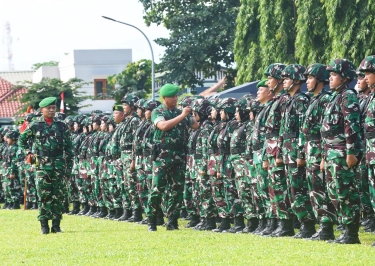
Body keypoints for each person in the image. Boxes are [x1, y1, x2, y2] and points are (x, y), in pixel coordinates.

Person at [146, 84, 199, 231]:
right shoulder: (158, 111)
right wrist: (182, 115)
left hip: (179, 155)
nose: (175, 99)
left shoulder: (179, 111)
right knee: (157, 189)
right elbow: (163, 126)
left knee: (177, 189)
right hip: (163, 156)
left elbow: (195, 126)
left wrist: (192, 113)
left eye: (176, 96)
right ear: (164, 98)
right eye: (172, 97)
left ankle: (172, 221)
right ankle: (152, 220)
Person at [321, 58, 362, 244]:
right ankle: (345, 229)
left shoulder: (348, 96)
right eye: (329, 75)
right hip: (330, 152)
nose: (330, 78)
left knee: (346, 192)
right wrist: (323, 156)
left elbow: (351, 126)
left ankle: (352, 233)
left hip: (341, 152)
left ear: (344, 77)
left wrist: (351, 152)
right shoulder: (334, 97)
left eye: (334, 75)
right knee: (334, 192)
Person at [18, 97, 73, 234]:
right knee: (43, 195)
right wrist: (29, 153)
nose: (52, 110)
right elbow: (22, 140)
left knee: (58, 196)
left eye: (53, 108)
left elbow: (69, 147)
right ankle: (44, 225)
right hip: (42, 165)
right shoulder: (36, 125)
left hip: (59, 164)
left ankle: (56, 225)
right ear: (42, 110)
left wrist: (69, 166)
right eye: (49, 108)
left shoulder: (61, 125)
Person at [299, 63, 336, 241]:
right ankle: (321, 225)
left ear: (320, 80)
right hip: (310, 150)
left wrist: (323, 156)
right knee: (313, 190)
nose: (307, 81)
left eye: (311, 78)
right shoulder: (313, 99)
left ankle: (327, 227)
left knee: (320, 189)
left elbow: (324, 130)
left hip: (318, 150)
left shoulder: (325, 99)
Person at [278, 64, 313, 238]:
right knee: (291, 188)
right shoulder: (289, 100)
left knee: (299, 189)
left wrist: (300, 154)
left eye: (287, 79)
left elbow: (302, 129)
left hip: (295, 151)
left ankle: (307, 225)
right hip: (287, 150)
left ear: (297, 80)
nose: (284, 82)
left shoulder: (301, 100)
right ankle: (299, 222)